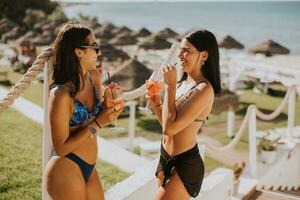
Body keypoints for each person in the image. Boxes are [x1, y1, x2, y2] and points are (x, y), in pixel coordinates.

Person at [44, 23, 124, 200]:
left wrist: (109, 100)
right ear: (78, 52)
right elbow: (61, 147)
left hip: (89, 165)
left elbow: (101, 115)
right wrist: (98, 123)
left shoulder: (94, 76)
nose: (99, 52)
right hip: (66, 165)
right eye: (95, 47)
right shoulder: (61, 94)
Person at [146, 29, 221, 200]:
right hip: (165, 158)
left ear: (204, 55)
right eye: (181, 49)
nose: (180, 55)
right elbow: (168, 123)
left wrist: (169, 86)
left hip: (184, 165)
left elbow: (169, 129)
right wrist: (156, 102)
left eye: (186, 50)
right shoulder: (182, 84)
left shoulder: (204, 90)